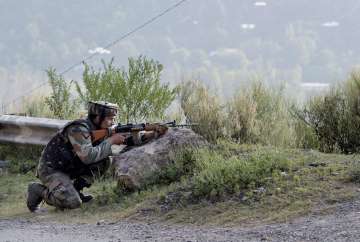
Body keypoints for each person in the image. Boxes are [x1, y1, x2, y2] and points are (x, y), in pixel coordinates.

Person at [26, 101, 167, 212]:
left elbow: (128, 138)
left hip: (70, 166)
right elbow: (88, 157)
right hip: (52, 169)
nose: (112, 122)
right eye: (110, 118)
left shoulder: (102, 129)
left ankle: (76, 190)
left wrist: (151, 133)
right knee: (72, 203)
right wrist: (111, 140)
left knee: (105, 161)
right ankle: (37, 190)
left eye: (113, 119)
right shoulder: (78, 128)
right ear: (98, 117)